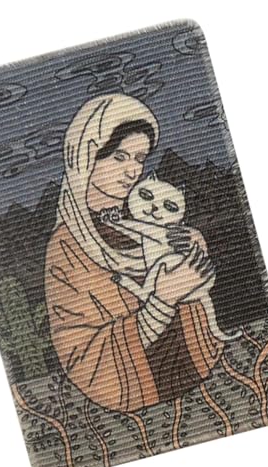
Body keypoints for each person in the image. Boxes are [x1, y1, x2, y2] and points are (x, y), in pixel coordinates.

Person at [44, 93, 224, 413]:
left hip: (200, 367)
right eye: (119, 157)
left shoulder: (148, 219)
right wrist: (163, 299)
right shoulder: (67, 247)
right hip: (136, 392)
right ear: (86, 156)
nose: (132, 171)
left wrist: (191, 253)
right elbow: (80, 355)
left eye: (140, 159)